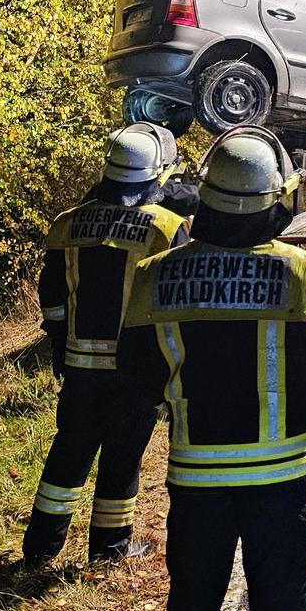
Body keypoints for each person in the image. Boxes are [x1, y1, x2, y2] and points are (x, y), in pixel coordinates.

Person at [116, 126, 306, 611]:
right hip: (283, 478)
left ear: (205, 193)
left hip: (196, 478)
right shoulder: (304, 273)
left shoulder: (155, 274)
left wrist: (174, 404)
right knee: (281, 609)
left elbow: (137, 373)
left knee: (192, 606)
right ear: (275, 198)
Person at [24, 124, 189, 567]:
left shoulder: (67, 224)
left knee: (68, 452)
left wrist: (60, 345)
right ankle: (109, 550)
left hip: (79, 368)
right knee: (123, 457)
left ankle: (39, 549)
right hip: (135, 369)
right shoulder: (166, 227)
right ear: (155, 172)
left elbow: (52, 297)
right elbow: (175, 304)